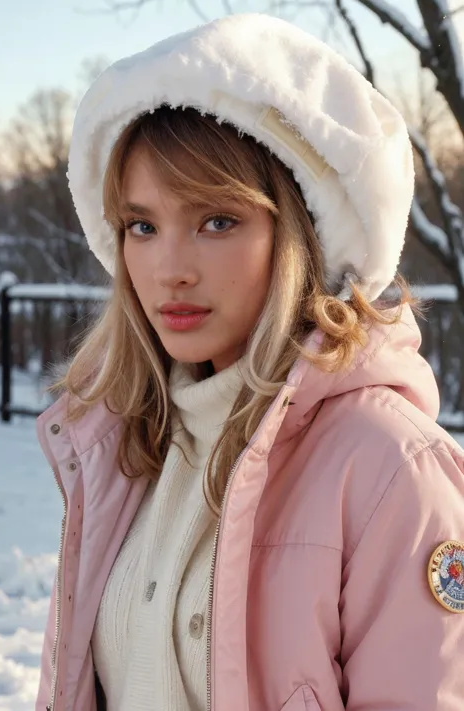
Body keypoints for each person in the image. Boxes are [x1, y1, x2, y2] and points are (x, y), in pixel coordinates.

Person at [36, 12, 464, 711]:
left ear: (298, 233)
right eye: (142, 225)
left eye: (216, 221)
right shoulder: (123, 447)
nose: (170, 268)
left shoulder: (391, 471)